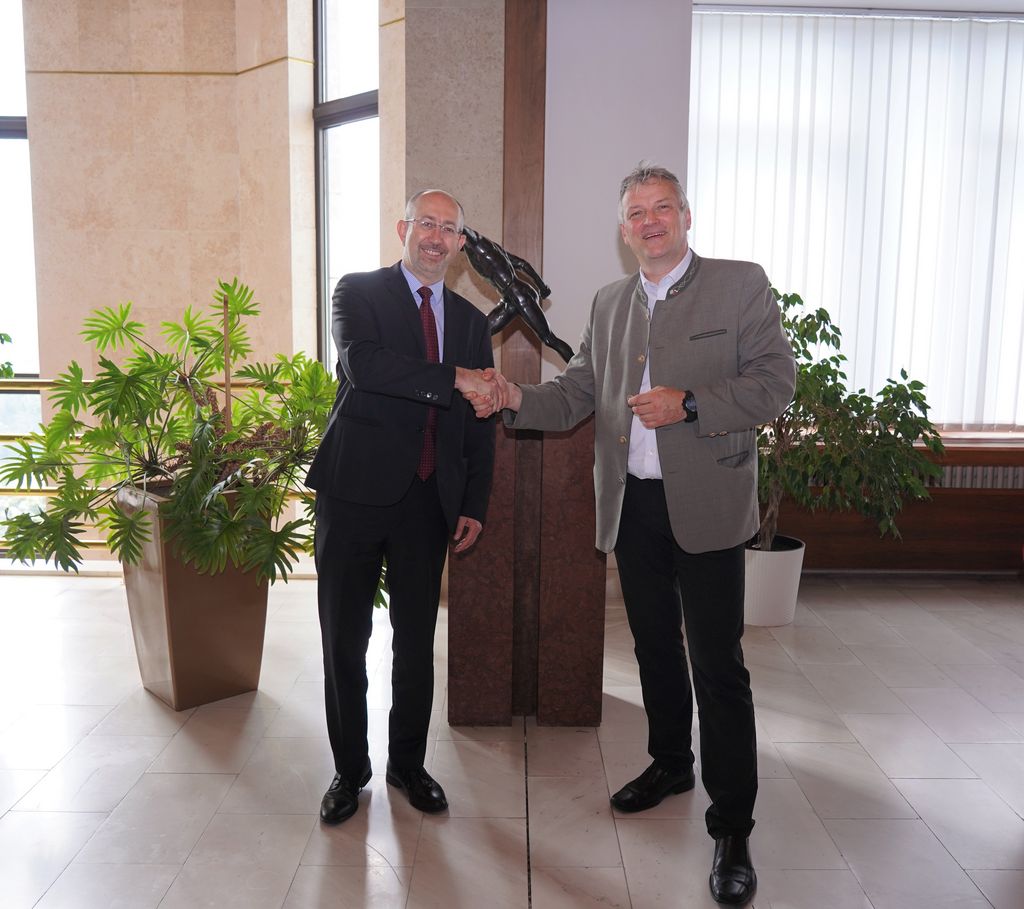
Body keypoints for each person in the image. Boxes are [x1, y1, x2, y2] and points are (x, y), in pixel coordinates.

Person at [466, 164, 795, 906]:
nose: (650, 221)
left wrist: (690, 403)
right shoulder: (611, 303)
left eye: (662, 208)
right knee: (652, 648)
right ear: (623, 229)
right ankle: (671, 760)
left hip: (707, 506)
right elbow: (579, 389)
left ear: (686, 215)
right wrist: (514, 395)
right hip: (633, 506)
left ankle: (733, 823)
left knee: (718, 665)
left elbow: (777, 382)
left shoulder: (740, 285)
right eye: (636, 213)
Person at [306, 189, 498, 825]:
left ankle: (408, 765)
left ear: (461, 245)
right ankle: (348, 770)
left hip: (428, 502)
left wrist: (474, 500)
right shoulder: (357, 292)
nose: (436, 237)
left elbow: (478, 424)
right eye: (426, 224)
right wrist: (454, 379)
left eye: (449, 228)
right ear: (403, 229)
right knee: (345, 639)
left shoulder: (472, 323)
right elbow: (366, 366)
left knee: (416, 643)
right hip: (353, 492)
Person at [460, 225, 575, 362]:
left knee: (549, 339)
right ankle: (467, 375)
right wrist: (541, 287)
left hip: (520, 295)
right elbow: (521, 264)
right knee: (480, 332)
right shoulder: (486, 250)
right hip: (510, 299)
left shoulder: (480, 245)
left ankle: (583, 372)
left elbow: (462, 226)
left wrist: (542, 287)